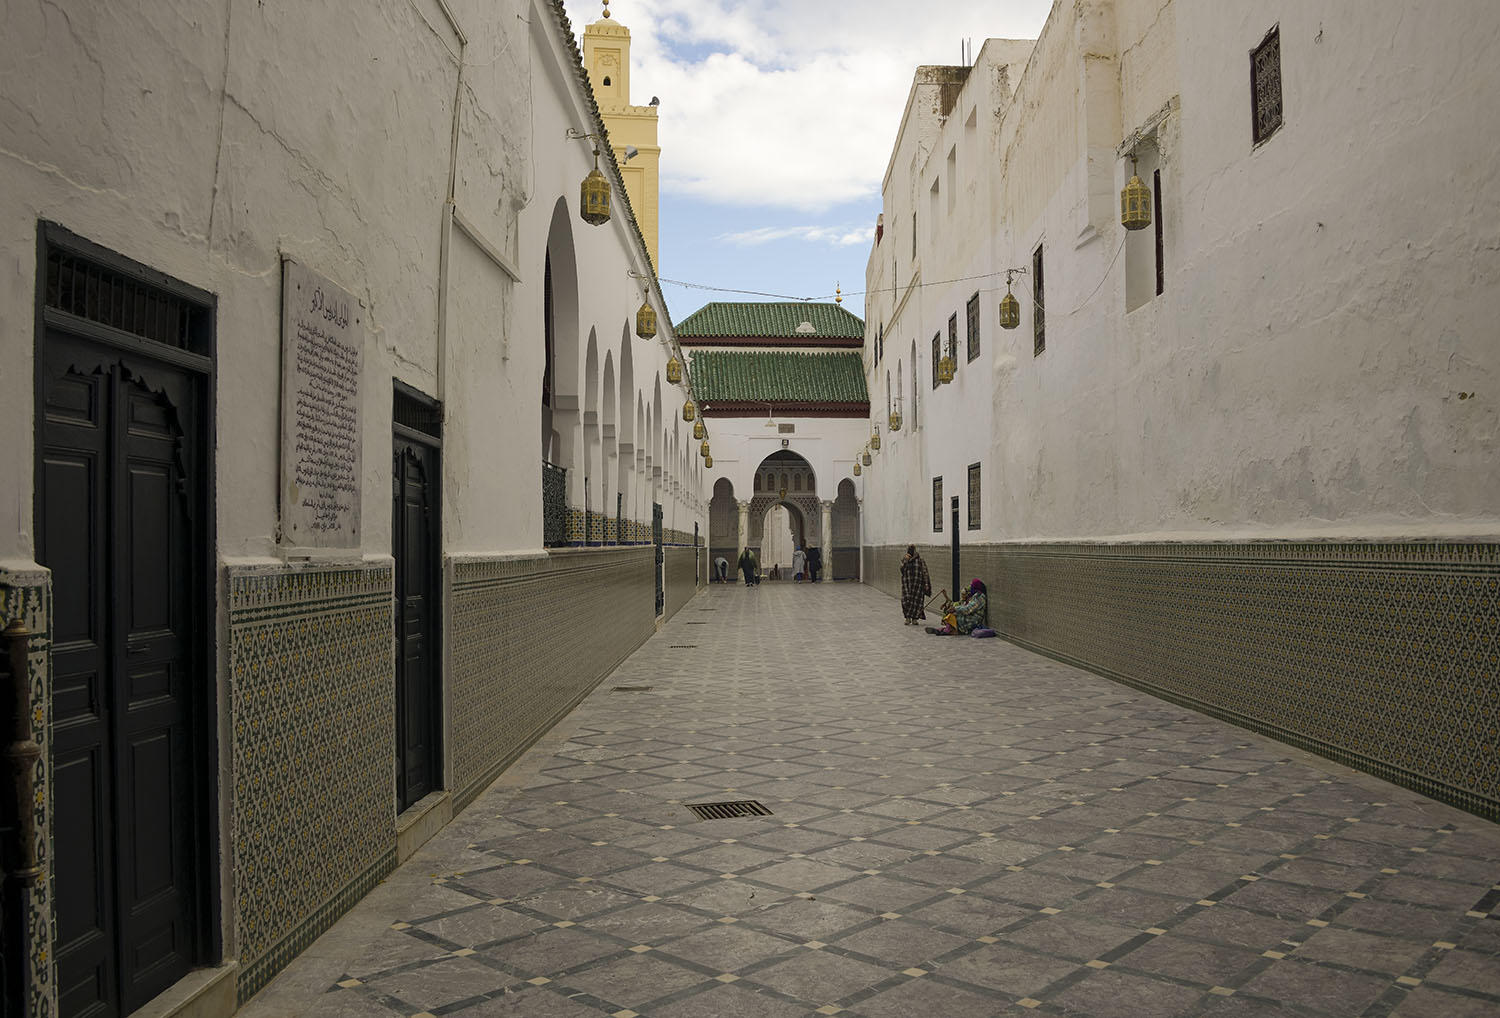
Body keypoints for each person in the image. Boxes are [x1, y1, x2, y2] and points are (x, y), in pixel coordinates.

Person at [899, 544, 931, 624]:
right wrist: (905, 561)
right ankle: (907, 618)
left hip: (918, 585)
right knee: (906, 600)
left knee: (917, 601)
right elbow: (902, 571)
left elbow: (925, 572)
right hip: (907, 584)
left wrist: (926, 584)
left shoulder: (920, 560)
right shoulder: (904, 559)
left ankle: (914, 618)